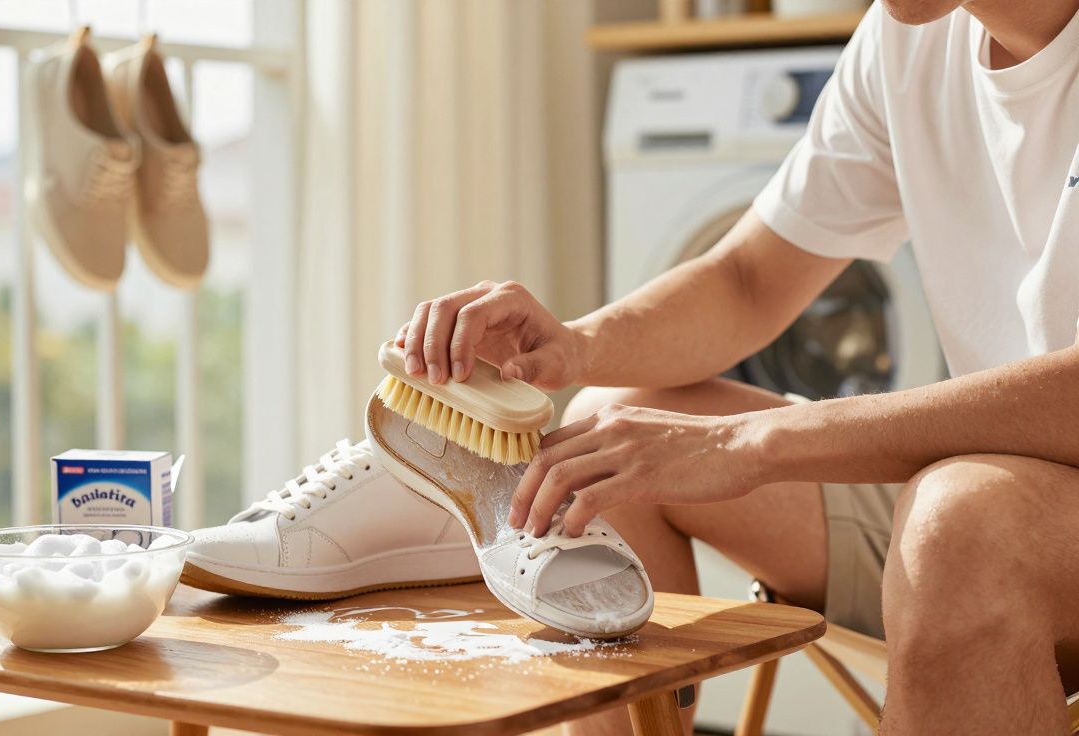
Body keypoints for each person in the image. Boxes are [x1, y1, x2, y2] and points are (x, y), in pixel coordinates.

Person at [395, 0, 1079, 732]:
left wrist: (748, 445)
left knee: (961, 524)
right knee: (606, 435)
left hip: (979, 520)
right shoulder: (909, 43)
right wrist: (574, 344)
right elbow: (749, 278)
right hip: (978, 494)